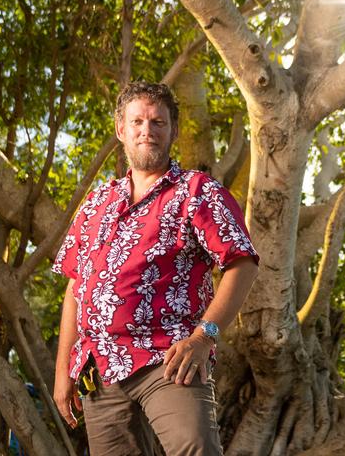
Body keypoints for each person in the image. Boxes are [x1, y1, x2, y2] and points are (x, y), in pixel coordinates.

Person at [52, 81, 259, 456]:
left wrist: (203, 337)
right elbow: (74, 288)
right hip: (100, 368)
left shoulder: (198, 191)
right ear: (121, 130)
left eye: (157, 122)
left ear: (173, 131)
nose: (147, 130)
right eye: (137, 122)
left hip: (168, 359)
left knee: (195, 449)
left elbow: (241, 263)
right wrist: (62, 373)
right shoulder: (96, 201)